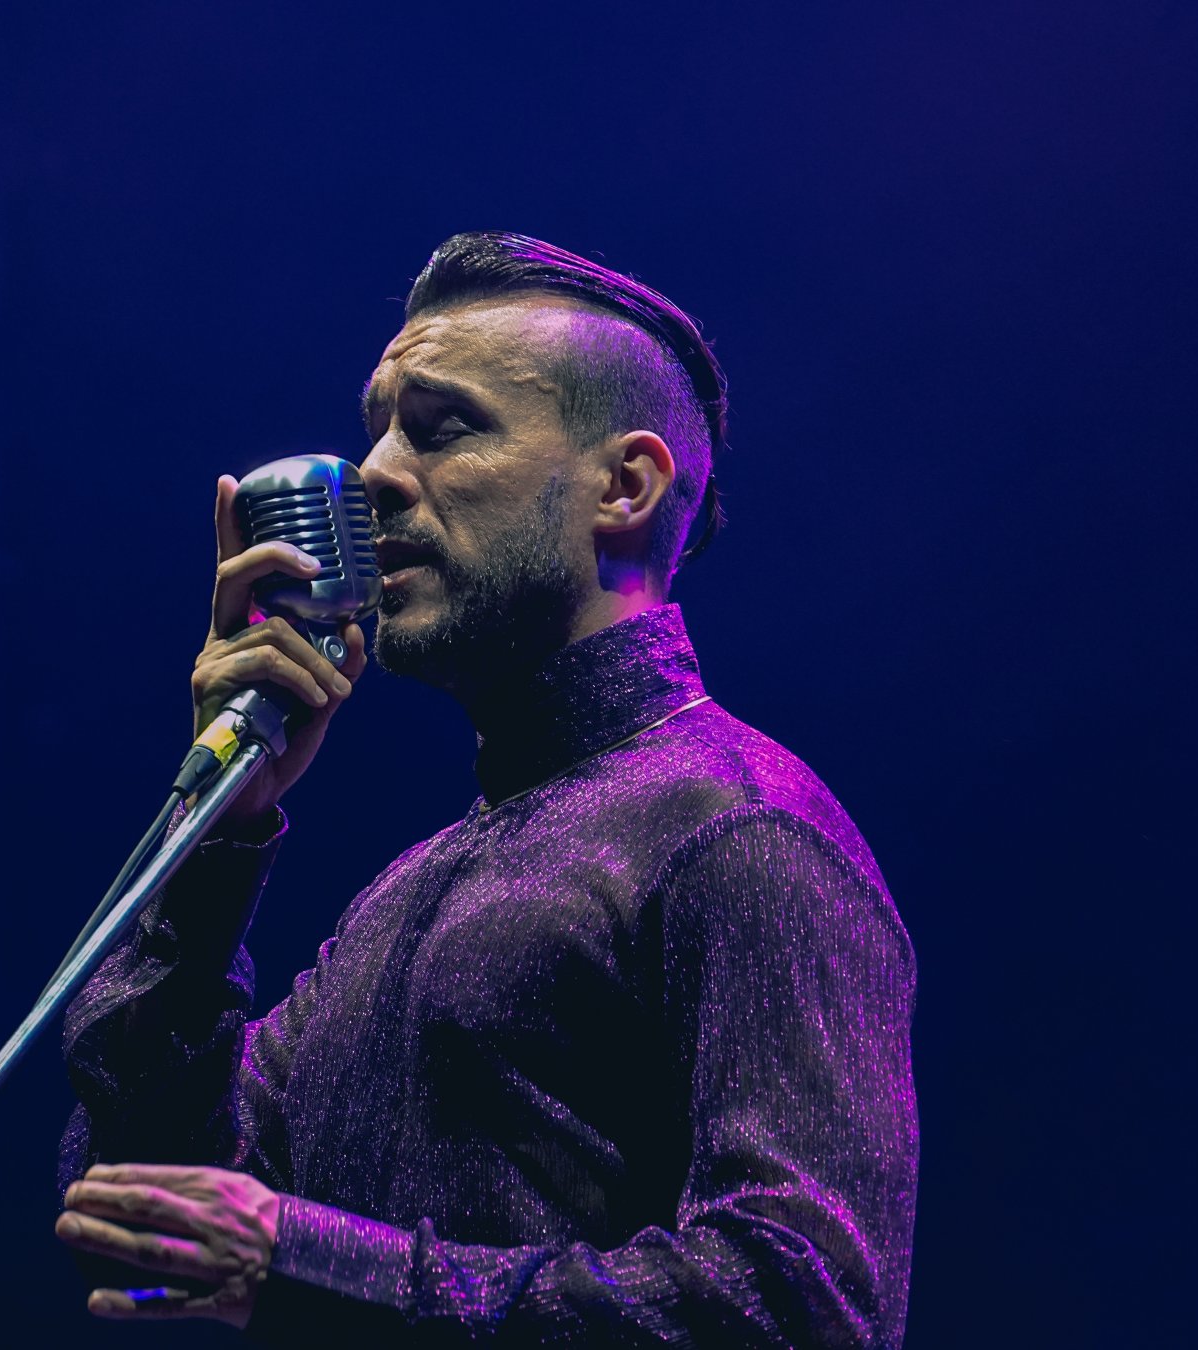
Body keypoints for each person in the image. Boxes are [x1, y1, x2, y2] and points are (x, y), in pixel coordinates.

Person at [52, 232, 918, 1346]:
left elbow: (802, 1307)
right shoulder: (406, 895)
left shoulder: (738, 830)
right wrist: (219, 826)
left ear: (624, 485)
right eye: (374, 431)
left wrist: (310, 1262)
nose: (369, 478)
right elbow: (137, 1210)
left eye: (440, 426)